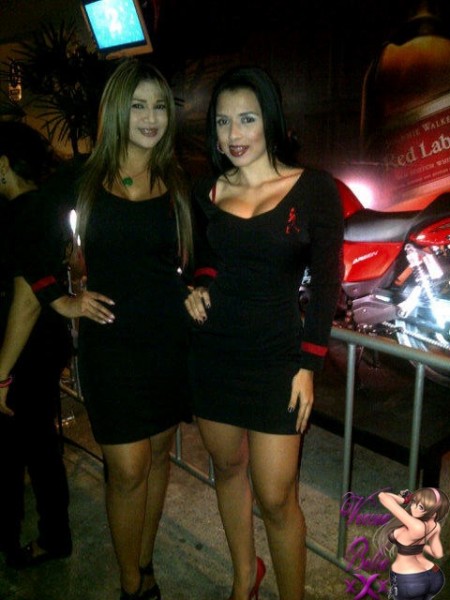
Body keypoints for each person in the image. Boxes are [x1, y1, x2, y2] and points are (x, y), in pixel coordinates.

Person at [184, 66, 344, 600]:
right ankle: (243, 577)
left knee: (277, 497)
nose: (234, 134)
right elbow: (205, 257)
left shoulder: (314, 188)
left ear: (270, 120)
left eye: (247, 119)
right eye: (223, 121)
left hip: (278, 357)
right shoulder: (208, 189)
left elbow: (326, 284)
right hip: (214, 354)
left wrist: (309, 365)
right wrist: (197, 285)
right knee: (228, 469)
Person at [49, 57, 194, 600]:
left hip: (166, 341)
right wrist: (59, 299)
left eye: (159, 106)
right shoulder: (85, 178)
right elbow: (26, 235)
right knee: (128, 467)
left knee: (156, 457)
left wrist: (201, 283)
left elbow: (209, 249)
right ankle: (130, 582)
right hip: (109, 344)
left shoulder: (177, 180)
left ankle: (146, 562)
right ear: (116, 110)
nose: (151, 118)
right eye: (138, 106)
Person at [0, 121, 73, 568]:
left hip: (23, 352)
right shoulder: (44, 207)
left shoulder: (20, 215)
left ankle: (36, 538)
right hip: (42, 347)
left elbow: (26, 299)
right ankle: (51, 534)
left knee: (20, 452)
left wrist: (1, 373)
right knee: (39, 446)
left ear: (4, 164)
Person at [375, 488, 449, 600]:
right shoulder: (435, 526)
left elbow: (382, 496)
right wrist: (419, 547)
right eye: (414, 502)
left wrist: (404, 500)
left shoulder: (415, 525)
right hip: (435, 575)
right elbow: (437, 553)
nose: (413, 507)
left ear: (433, 513)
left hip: (410, 579)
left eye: (421, 507)